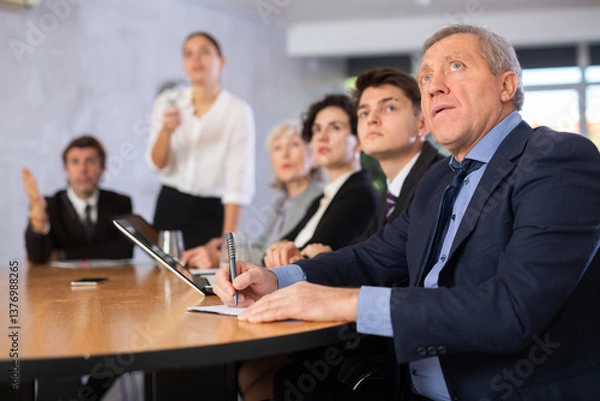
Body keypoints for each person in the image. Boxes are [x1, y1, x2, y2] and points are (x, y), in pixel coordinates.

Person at [214, 24, 600, 401]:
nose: (433, 85)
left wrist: (342, 302)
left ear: (506, 85)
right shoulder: (438, 179)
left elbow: (513, 310)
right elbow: (373, 257)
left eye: (456, 67)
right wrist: (277, 279)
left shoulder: (556, 158)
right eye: (426, 77)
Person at [301, 67, 444, 259]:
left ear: (422, 123)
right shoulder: (390, 192)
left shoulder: (439, 181)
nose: (372, 120)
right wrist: (329, 257)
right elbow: (367, 251)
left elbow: (400, 268)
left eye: (389, 108)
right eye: (364, 113)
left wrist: (325, 260)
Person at [147, 31, 255, 249]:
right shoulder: (168, 101)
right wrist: (166, 131)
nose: (196, 59)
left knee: (208, 279)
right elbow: (157, 164)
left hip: (212, 212)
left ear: (221, 61)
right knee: (162, 279)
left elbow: (238, 180)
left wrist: (227, 245)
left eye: (204, 52)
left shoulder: (237, 111)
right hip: (170, 205)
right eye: (188, 54)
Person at [182, 121, 323, 268]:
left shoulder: (318, 198)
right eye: (277, 148)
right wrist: (220, 250)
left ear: (313, 155)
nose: (285, 154)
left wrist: (223, 255)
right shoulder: (281, 202)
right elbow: (260, 248)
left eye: (295, 144)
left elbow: (275, 255)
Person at [263, 94, 378, 268]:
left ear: (358, 141)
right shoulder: (323, 198)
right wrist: (280, 254)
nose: (321, 137)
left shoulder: (359, 193)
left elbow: (306, 262)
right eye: (317, 129)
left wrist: (285, 255)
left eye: (335, 128)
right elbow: (272, 252)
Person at [23, 135, 133, 264]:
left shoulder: (119, 202)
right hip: (59, 282)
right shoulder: (49, 205)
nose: (82, 169)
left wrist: (61, 255)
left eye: (90, 161)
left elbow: (123, 250)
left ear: (102, 167)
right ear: (66, 168)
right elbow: (36, 257)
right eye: (75, 162)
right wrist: (38, 221)